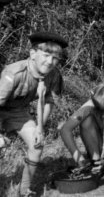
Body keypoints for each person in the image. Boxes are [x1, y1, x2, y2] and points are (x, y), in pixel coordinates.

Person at [0, 31, 67, 197]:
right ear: (32, 54)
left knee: (37, 145)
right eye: (45, 55)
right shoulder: (14, 73)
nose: (50, 62)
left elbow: (49, 102)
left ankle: (24, 190)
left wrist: (39, 128)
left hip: (17, 112)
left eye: (55, 58)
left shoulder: (53, 75)